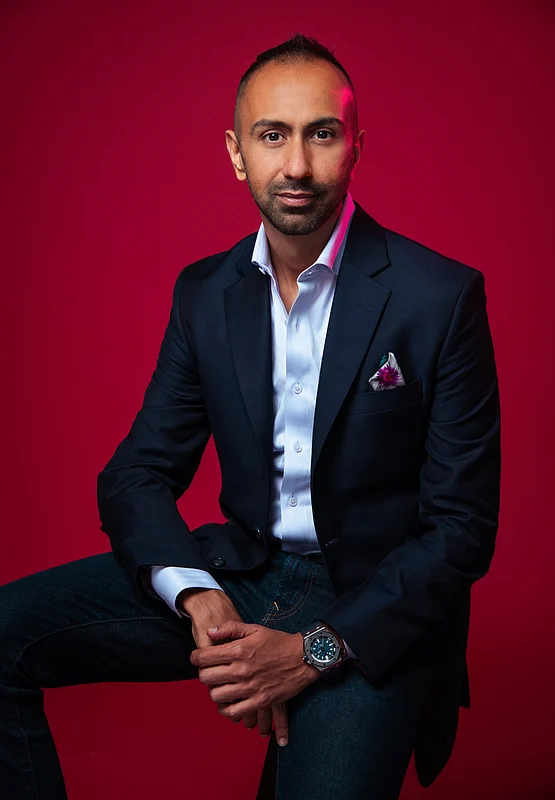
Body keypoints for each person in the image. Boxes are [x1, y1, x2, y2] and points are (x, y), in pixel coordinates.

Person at [0, 32, 501, 800]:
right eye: (272, 135)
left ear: (354, 147)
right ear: (237, 154)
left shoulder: (438, 296)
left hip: (372, 608)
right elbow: (137, 472)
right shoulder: (206, 293)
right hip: (242, 574)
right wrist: (193, 592)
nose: (295, 165)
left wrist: (311, 652)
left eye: (320, 134)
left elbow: (460, 530)